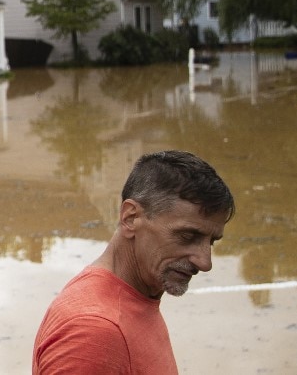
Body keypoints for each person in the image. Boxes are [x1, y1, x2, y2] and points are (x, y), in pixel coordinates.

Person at [32, 150, 235, 374]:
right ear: (131, 217)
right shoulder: (96, 333)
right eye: (187, 236)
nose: (205, 262)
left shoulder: (136, 296)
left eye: (212, 242)